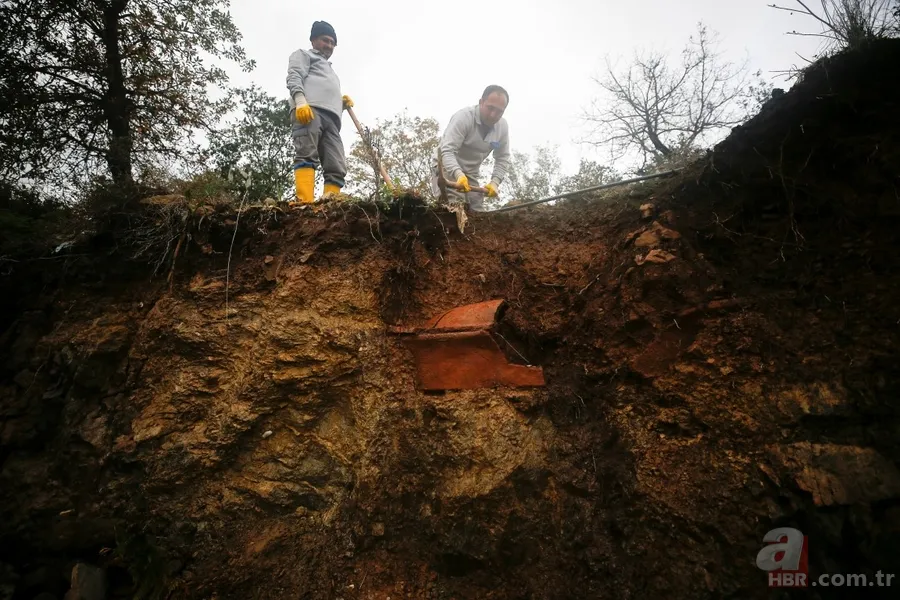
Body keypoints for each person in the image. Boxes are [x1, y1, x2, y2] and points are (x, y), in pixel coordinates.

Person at [286, 20, 354, 204]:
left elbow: (323, 90)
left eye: (333, 43)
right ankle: (305, 202)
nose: (329, 45)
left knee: (337, 164)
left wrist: (340, 103)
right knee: (307, 153)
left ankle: (329, 206)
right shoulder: (304, 55)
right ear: (314, 40)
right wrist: (300, 101)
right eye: (326, 40)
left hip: (331, 120)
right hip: (308, 110)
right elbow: (294, 76)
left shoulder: (330, 70)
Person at [431, 85, 511, 212]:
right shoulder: (464, 118)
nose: (493, 115)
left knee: (478, 212)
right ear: (481, 102)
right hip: (446, 168)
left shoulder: (502, 127)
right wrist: (458, 175)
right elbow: (447, 151)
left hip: (471, 174)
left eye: (499, 111)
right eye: (490, 108)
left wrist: (495, 182)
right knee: (456, 207)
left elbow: (502, 158)